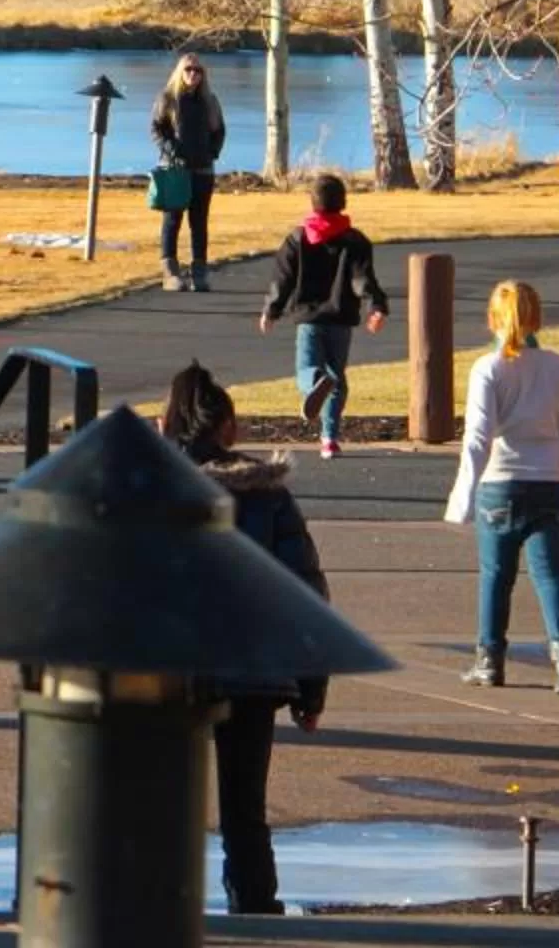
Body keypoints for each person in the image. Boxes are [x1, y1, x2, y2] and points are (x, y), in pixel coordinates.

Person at [160, 362, 330, 918]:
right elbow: (303, 592)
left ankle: (159, 908)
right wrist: (310, 684)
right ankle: (255, 910)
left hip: (169, 674)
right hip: (253, 672)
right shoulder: (267, 495)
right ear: (226, 428)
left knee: (162, 802)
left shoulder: (150, 492)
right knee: (244, 808)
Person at [453, 279, 559, 694]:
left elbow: (478, 437)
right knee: (552, 577)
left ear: (492, 319)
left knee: (496, 575)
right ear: (538, 319)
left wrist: (462, 496)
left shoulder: (488, 369)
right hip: (548, 480)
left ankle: (489, 660)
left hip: (500, 484)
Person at [258, 174, 388, 459]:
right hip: (341, 320)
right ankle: (329, 438)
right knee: (337, 378)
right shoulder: (355, 241)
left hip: (309, 319)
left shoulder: (297, 239)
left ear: (313, 203)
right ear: (343, 202)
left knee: (307, 369)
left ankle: (316, 381)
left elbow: (283, 279)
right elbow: (362, 279)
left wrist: (272, 310)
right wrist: (375, 306)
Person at [150, 53, 227, 290]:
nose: (193, 74)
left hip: (203, 170)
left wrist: (212, 152)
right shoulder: (168, 98)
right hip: (176, 170)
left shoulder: (210, 100)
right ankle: (170, 272)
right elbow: (157, 128)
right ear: (180, 72)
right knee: (173, 220)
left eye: (198, 70)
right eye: (188, 70)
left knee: (199, 221)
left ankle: (199, 272)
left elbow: (219, 131)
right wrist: (172, 149)